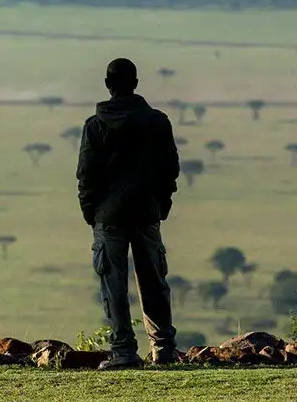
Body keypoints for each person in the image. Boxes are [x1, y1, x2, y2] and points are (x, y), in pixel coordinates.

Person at [78, 58, 180, 369]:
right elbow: (170, 170)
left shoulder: (95, 126)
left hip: (108, 217)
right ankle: (163, 349)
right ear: (135, 84)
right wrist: (161, 205)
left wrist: (91, 212)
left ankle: (123, 352)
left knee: (114, 286)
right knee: (153, 282)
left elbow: (86, 175)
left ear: (108, 86)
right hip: (147, 212)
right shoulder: (158, 122)